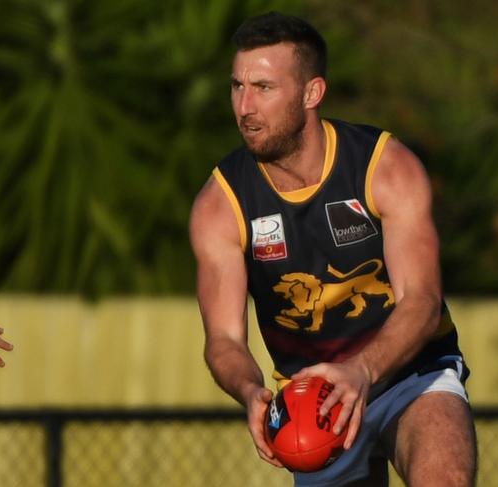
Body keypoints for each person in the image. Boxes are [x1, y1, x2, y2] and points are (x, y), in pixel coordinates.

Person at [190, 11, 477, 487]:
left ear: (311, 93)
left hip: (411, 373)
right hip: (312, 405)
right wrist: (249, 391)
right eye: (237, 86)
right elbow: (223, 340)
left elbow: (423, 304)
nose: (244, 106)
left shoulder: (384, 168)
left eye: (263, 88)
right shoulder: (220, 204)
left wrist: (362, 370)